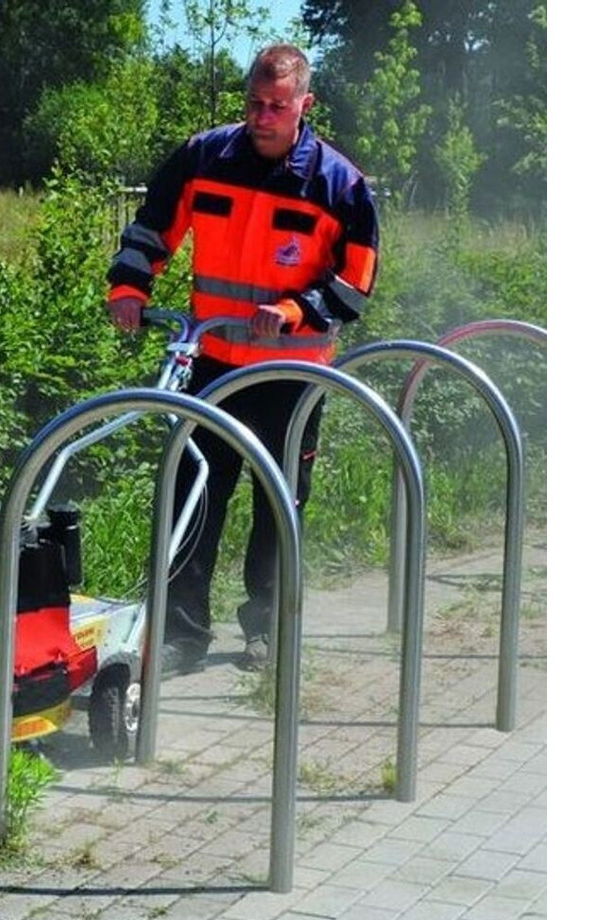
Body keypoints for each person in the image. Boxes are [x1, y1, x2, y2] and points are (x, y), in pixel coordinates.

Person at [107, 43, 379, 672]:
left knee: (279, 502)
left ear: (305, 104)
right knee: (194, 493)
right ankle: (182, 636)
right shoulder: (205, 157)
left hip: (294, 373)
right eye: (255, 103)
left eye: (277, 106)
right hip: (213, 361)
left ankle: (267, 630)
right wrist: (130, 286)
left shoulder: (339, 184)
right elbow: (151, 226)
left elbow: (356, 282)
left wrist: (296, 310)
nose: (262, 116)